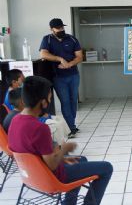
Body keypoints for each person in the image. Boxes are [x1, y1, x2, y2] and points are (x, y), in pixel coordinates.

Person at [8, 76, 113, 205]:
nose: (50, 101)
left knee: (82, 160)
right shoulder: (40, 128)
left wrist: (61, 158)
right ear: (43, 102)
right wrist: (64, 150)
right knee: (107, 168)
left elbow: (33, 155)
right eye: (50, 98)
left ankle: (68, 203)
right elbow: (52, 165)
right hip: (51, 178)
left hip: (31, 176)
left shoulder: (15, 121)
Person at [39, 18, 83, 138]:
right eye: (58, 28)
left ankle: (71, 125)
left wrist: (69, 64)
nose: (61, 29)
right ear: (52, 29)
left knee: (73, 100)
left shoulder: (72, 38)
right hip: (58, 77)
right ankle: (71, 127)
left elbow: (79, 56)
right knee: (65, 101)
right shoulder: (47, 39)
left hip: (73, 75)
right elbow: (43, 54)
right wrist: (60, 59)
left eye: (62, 27)